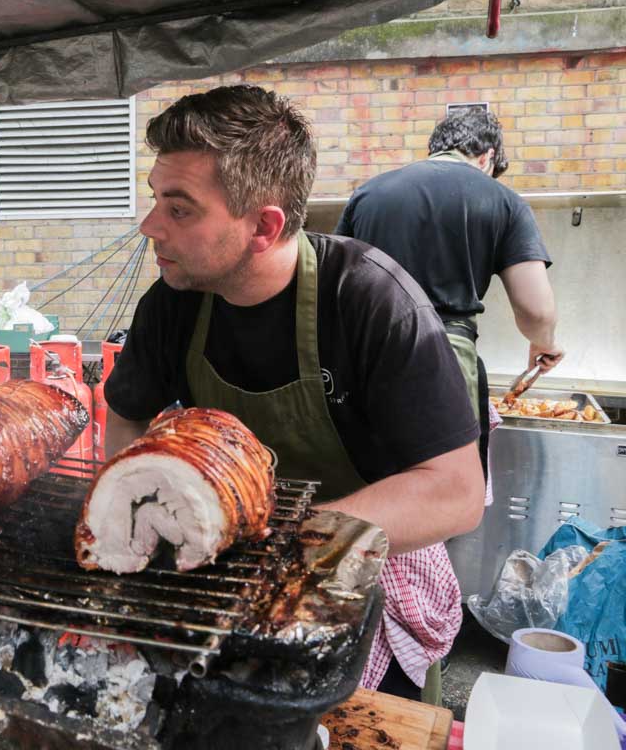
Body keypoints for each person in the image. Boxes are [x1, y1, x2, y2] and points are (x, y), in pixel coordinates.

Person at [103, 85, 485, 703]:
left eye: (180, 209)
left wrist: (294, 540)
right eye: (155, 201)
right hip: (229, 555)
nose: (149, 227)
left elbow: (457, 493)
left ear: (264, 226)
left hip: (365, 562)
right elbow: (123, 421)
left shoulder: (370, 302)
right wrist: (133, 512)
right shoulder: (172, 303)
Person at [336, 108, 561, 471]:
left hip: (363, 360)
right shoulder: (503, 201)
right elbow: (536, 310)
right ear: (487, 157)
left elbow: (333, 282)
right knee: (441, 491)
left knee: (370, 485)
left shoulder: (368, 193)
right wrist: (544, 343)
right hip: (443, 358)